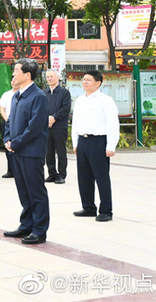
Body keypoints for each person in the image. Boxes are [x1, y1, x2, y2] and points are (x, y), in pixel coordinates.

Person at [3, 58, 50, 244]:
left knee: (36, 192)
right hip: (17, 151)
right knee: (23, 191)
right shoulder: (17, 95)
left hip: (31, 152)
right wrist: (8, 139)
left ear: (27, 74)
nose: (14, 74)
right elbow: (10, 121)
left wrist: (16, 143)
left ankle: (39, 230)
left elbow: (35, 127)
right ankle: (26, 225)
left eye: (16, 70)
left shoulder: (38, 96)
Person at [71, 70, 119, 222]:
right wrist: (75, 142)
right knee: (84, 177)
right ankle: (88, 207)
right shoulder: (80, 100)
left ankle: (106, 211)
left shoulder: (106, 100)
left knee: (101, 177)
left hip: (98, 141)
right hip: (83, 141)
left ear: (98, 83)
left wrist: (111, 146)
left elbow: (112, 124)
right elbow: (75, 123)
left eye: (88, 80)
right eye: (84, 79)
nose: (84, 82)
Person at [44, 69, 72, 184]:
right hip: (46, 126)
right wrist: (46, 119)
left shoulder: (64, 93)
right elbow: (40, 108)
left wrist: (54, 117)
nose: (49, 79)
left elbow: (65, 108)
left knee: (61, 151)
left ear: (58, 78)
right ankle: (52, 173)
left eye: (52, 76)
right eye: (48, 77)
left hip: (60, 126)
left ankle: (61, 174)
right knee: (48, 151)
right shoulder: (44, 93)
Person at [0, 77, 19, 178]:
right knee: (8, 145)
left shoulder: (23, 94)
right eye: (13, 81)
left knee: (18, 146)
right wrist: (8, 121)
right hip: (7, 124)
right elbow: (2, 109)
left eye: (16, 81)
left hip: (19, 124)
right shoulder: (6, 94)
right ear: (10, 82)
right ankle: (10, 170)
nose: (14, 83)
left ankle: (18, 170)